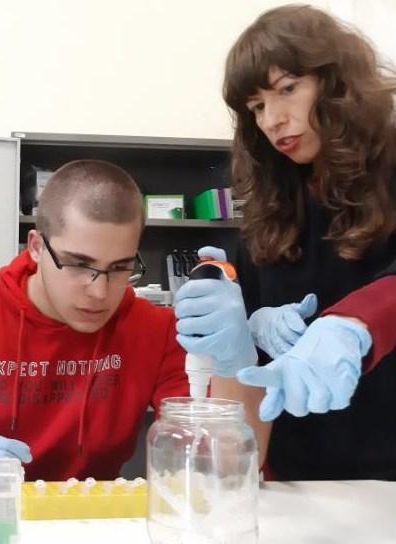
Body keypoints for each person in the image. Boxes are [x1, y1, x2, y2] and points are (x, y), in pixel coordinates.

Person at [174, 5, 396, 481]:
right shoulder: (268, 217)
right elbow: (244, 430)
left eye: (288, 89)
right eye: (256, 107)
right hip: (299, 485)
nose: (273, 119)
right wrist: (237, 353)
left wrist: (356, 322)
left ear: (337, 83)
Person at [0, 160, 197, 481]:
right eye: (78, 264)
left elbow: (203, 445)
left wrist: (228, 363)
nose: (99, 292)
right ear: (36, 247)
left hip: (95, 520)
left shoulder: (156, 330)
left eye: (120, 267)